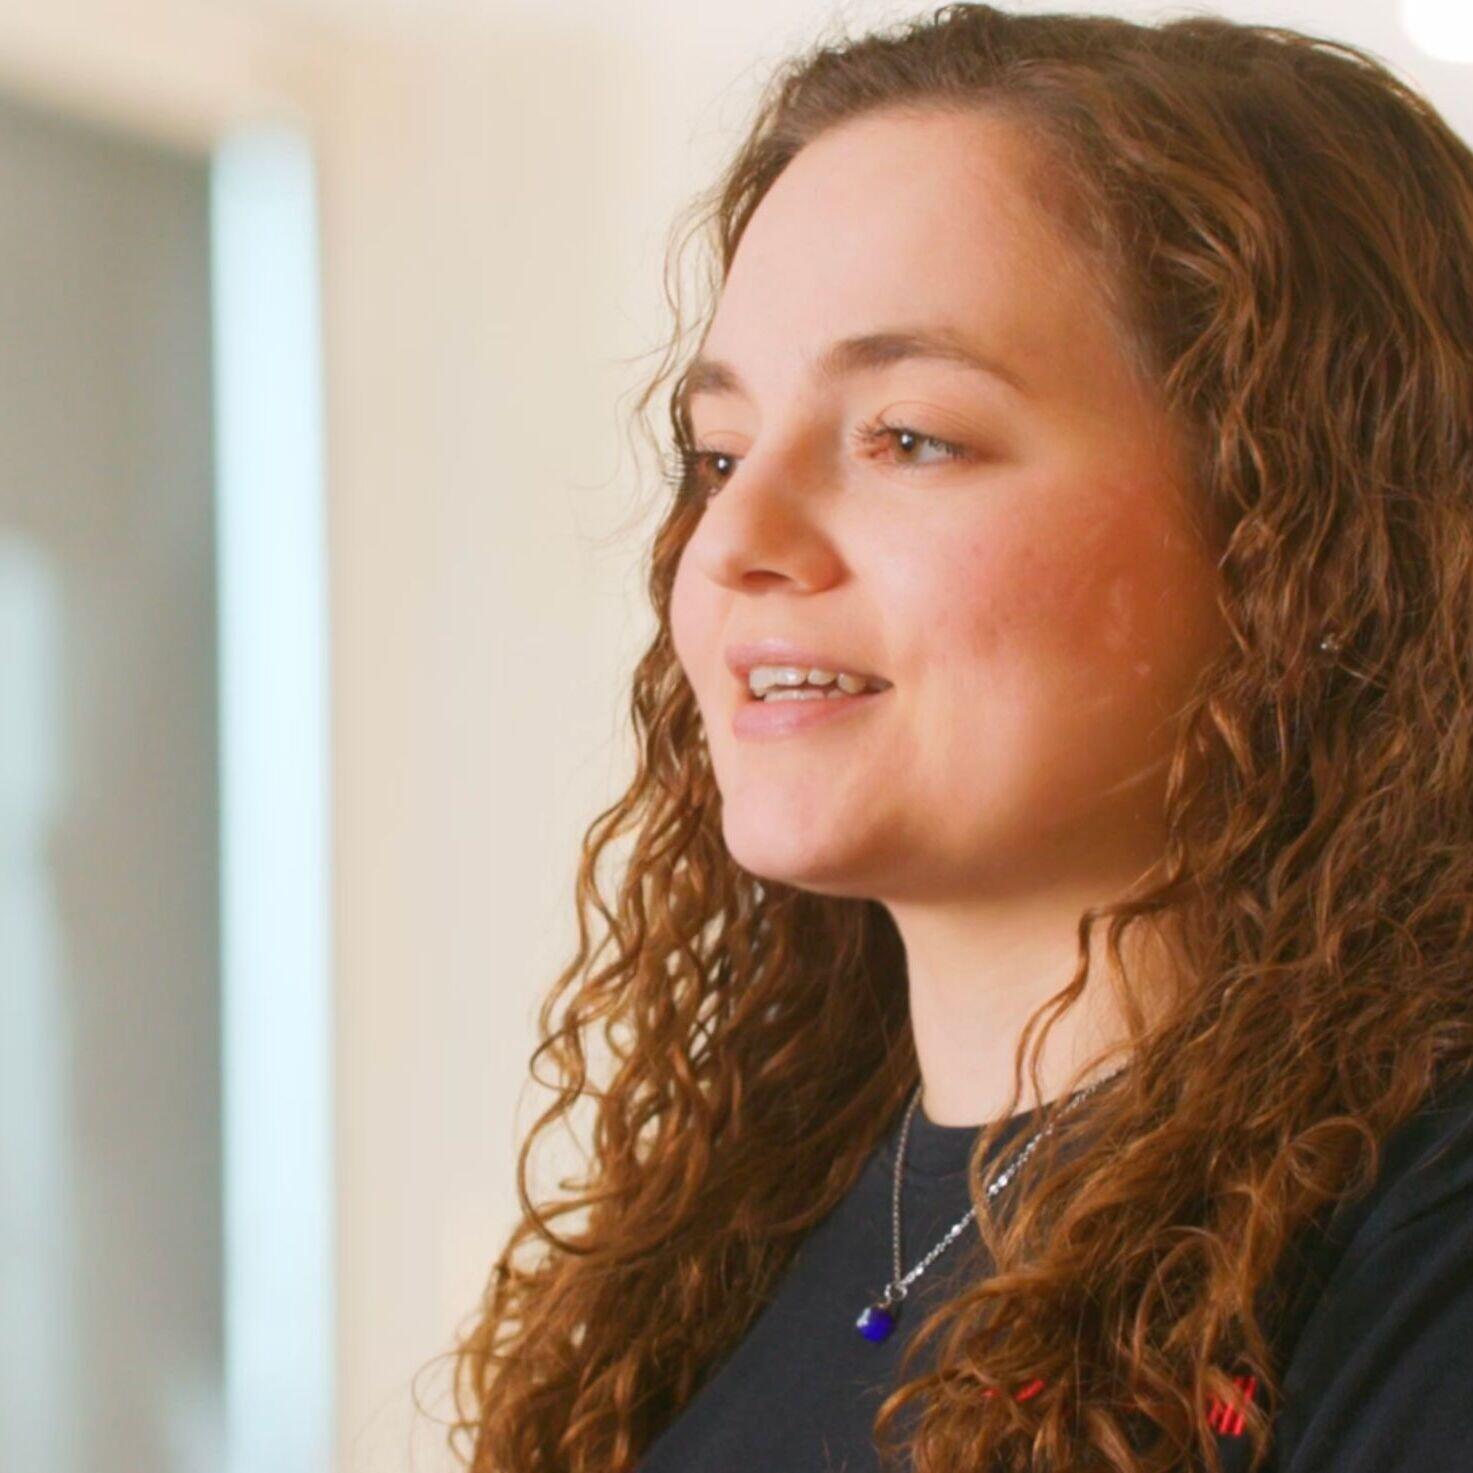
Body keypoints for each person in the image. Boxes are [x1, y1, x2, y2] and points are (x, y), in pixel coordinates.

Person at [443, 5, 1473, 1471]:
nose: (731, 539)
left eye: (910, 437)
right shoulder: (740, 1224)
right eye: (719, 454)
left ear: (1298, 536)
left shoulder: (1419, 1257)